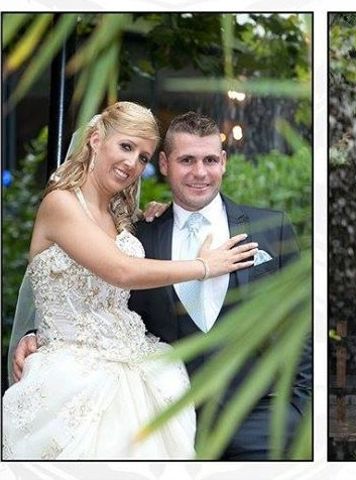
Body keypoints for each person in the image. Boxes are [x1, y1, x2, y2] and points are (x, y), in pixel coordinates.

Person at [14, 111, 312, 459]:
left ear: (224, 162)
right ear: (166, 164)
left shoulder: (268, 227)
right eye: (187, 160)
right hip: (156, 415)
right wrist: (41, 333)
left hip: (258, 419)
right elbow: (106, 280)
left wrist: (301, 410)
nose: (200, 172)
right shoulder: (139, 235)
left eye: (210, 160)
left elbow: (302, 323)